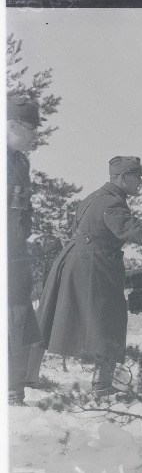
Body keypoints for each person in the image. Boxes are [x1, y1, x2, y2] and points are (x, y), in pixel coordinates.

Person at [35, 156, 142, 397]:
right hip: (94, 265)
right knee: (107, 320)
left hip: (82, 260)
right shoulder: (112, 204)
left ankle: (32, 377)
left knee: (98, 321)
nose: (140, 182)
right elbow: (134, 231)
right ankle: (102, 384)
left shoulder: (94, 197)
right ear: (120, 177)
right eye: (136, 176)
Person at [7, 97, 44, 405]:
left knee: (19, 317)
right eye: (31, 129)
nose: (35, 136)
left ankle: (14, 388)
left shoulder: (20, 162)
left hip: (15, 253)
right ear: (12, 125)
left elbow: (23, 209)